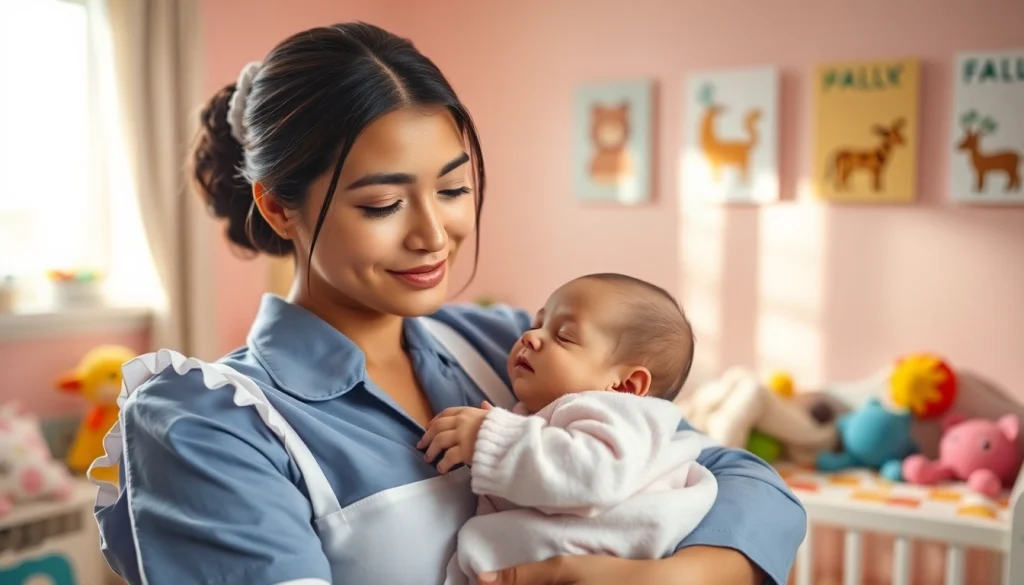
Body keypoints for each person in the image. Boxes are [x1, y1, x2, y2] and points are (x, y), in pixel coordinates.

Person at [92, 21, 806, 585]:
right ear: (279, 208)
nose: (435, 235)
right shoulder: (206, 423)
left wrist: (675, 576)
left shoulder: (503, 347)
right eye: (382, 202)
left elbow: (734, 474)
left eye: (455, 189)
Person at [419, 273, 718, 582]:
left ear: (626, 385)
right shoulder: (549, 412)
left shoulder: (620, 416)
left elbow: (596, 472)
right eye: (536, 325)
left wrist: (491, 439)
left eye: (563, 336)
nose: (530, 337)